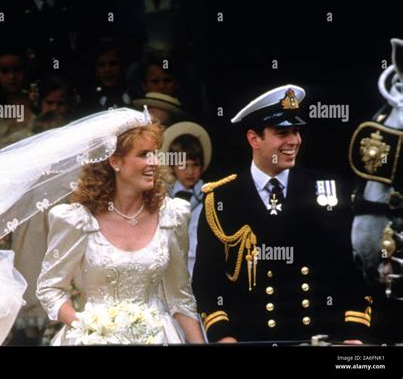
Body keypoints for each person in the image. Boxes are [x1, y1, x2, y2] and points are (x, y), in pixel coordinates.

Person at [192, 85, 373, 344]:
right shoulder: (222, 199)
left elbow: (353, 270)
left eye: (296, 131)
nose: (294, 141)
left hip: (320, 339)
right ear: (254, 139)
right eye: (282, 133)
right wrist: (223, 337)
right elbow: (206, 282)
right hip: (251, 341)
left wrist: (354, 335)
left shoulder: (326, 191)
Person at [36, 117, 205, 344]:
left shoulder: (171, 216)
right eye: (144, 154)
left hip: (157, 338)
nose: (154, 161)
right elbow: (50, 289)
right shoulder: (79, 220)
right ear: (115, 162)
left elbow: (180, 298)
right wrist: (91, 329)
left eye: (155, 153)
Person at [161, 121, 212, 277]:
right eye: (183, 165)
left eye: (195, 165)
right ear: (173, 166)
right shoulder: (163, 196)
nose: (190, 171)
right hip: (171, 266)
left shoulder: (210, 194)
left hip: (201, 265)